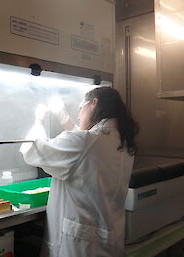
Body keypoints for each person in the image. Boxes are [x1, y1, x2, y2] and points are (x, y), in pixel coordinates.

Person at [20, 86, 139, 257]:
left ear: (94, 103)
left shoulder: (87, 142)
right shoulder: (121, 140)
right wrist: (63, 117)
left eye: (80, 108)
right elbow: (84, 146)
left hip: (81, 245)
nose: (78, 114)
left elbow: (31, 151)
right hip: (109, 237)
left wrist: (38, 120)